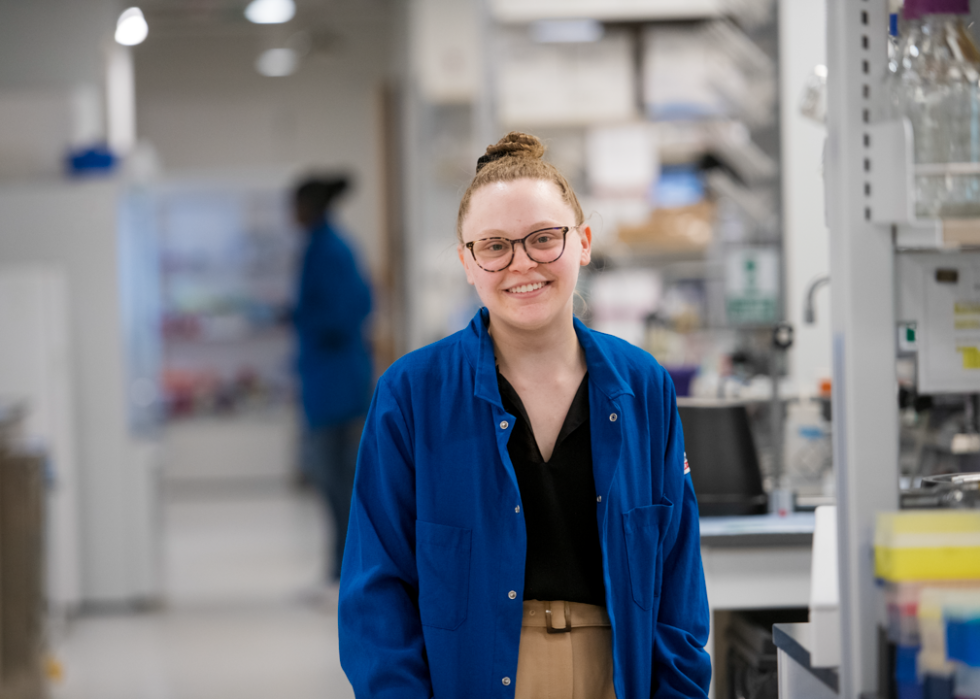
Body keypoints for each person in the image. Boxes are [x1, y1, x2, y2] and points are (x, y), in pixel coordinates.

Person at [338, 133, 710, 698]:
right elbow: (376, 592)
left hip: (615, 674)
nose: (522, 264)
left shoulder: (642, 386)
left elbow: (678, 581)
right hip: (474, 677)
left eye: (544, 239)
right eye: (494, 246)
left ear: (583, 243)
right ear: (467, 261)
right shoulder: (412, 394)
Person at [292, 175, 372, 586]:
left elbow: (348, 312)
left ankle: (344, 569)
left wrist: (303, 318)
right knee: (332, 481)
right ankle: (338, 567)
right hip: (331, 381)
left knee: (336, 480)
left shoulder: (329, 250)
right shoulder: (325, 246)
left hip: (336, 385)